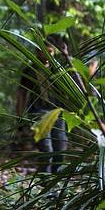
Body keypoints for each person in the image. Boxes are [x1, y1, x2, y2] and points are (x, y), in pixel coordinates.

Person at [18, 43, 67, 174]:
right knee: (46, 152)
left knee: (60, 151)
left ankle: (54, 185)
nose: (47, 55)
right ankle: (45, 186)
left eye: (50, 52)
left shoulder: (58, 71)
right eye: (44, 52)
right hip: (38, 112)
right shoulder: (29, 70)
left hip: (57, 113)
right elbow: (21, 93)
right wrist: (19, 116)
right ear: (37, 52)